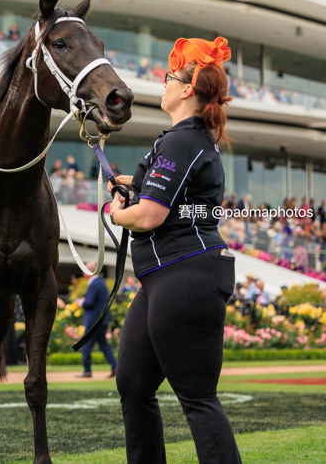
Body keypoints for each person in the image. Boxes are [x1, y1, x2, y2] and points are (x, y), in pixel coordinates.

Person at [108, 36, 242, 462]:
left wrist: (117, 213)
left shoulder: (182, 140)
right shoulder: (187, 140)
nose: (162, 83)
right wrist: (137, 183)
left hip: (186, 274)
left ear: (186, 90)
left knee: (197, 398)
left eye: (168, 77)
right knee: (132, 382)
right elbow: (181, 203)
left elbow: (149, 216)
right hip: (166, 277)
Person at [75, 262, 117, 378]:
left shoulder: (93, 284)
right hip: (102, 320)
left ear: (89, 272)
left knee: (86, 346)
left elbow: (89, 303)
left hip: (93, 320)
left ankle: (87, 371)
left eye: (85, 270)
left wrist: (80, 302)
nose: (83, 273)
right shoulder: (101, 282)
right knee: (104, 345)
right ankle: (115, 367)